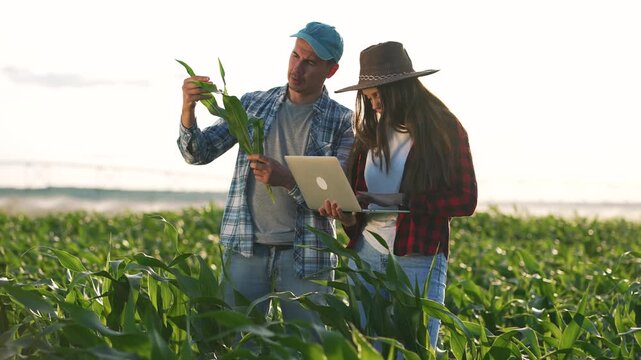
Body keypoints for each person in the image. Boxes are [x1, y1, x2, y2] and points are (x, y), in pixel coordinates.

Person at [177, 22, 354, 326]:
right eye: (295, 56)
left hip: (308, 256)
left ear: (331, 70)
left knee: (307, 346)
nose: (297, 68)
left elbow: (339, 200)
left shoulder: (343, 121)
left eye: (310, 62)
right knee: (236, 342)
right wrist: (188, 109)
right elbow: (199, 153)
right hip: (246, 249)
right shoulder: (251, 105)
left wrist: (287, 180)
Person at [318, 41, 477, 348]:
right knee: (366, 352)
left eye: (377, 95)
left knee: (413, 350)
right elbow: (358, 208)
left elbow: (465, 198)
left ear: (400, 88)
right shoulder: (369, 134)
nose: (373, 103)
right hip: (365, 256)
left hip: (416, 259)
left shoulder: (444, 128)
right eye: (367, 97)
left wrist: (405, 201)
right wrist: (347, 214)